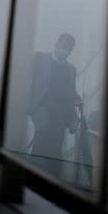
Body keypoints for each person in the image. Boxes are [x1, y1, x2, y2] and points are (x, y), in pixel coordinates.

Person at [28, 33, 82, 177]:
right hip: (42, 109)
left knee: (56, 148)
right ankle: (32, 179)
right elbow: (27, 80)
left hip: (62, 114)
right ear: (56, 43)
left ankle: (50, 182)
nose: (66, 50)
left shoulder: (71, 69)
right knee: (41, 143)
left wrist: (76, 99)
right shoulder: (40, 58)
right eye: (64, 45)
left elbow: (71, 91)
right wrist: (30, 106)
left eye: (69, 48)